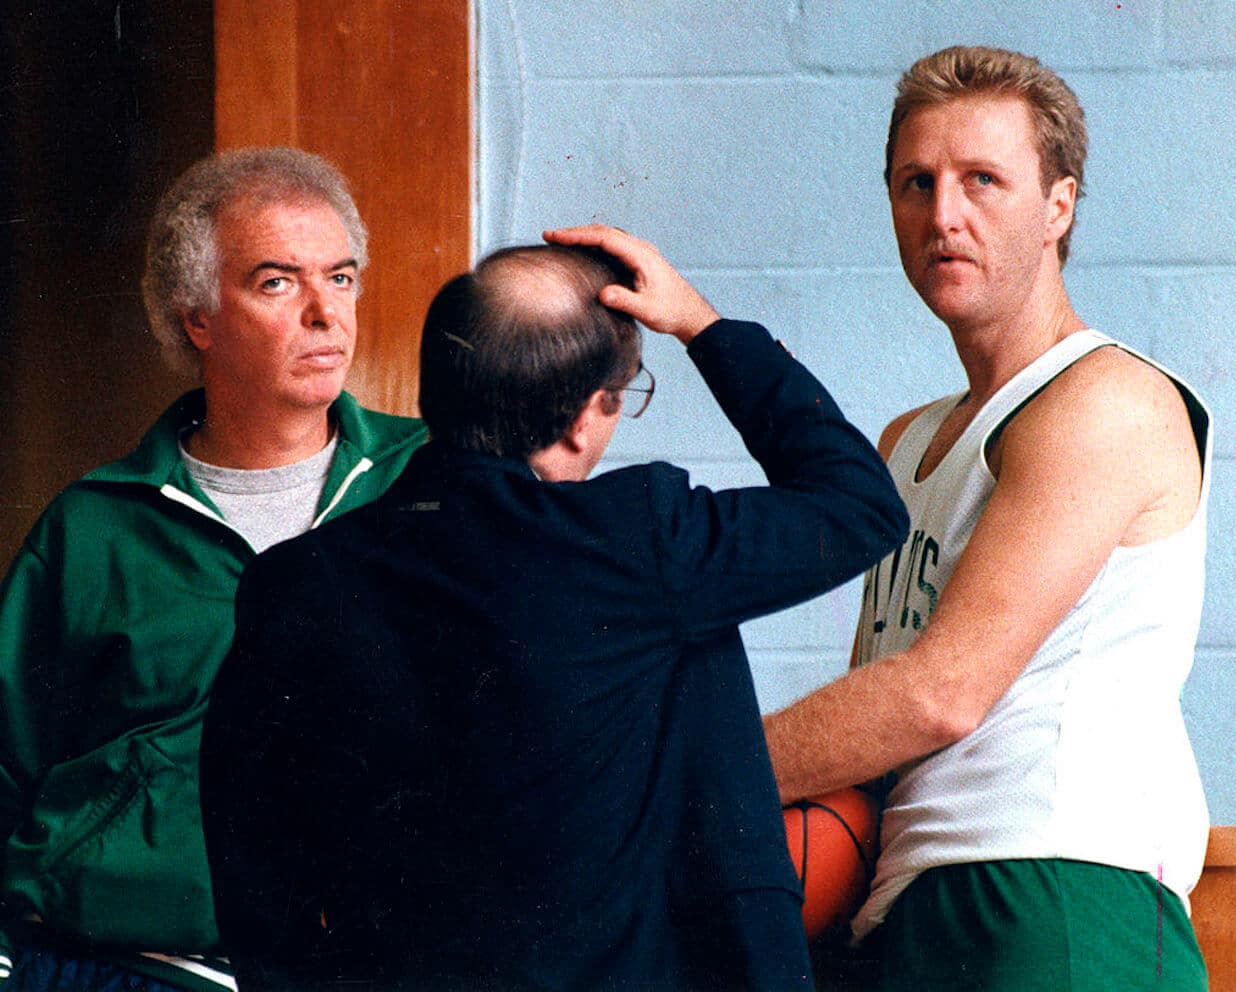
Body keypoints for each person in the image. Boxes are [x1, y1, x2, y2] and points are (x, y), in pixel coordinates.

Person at [198, 230, 909, 991]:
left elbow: (253, 871)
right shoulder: (637, 545)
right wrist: (700, 324)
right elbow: (859, 504)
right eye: (622, 396)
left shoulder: (292, 585)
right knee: (694, 630)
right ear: (580, 419)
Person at [763, 45, 1212, 990]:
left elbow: (940, 693)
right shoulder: (905, 441)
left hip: (1059, 892)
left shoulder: (1105, 398)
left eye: (982, 180)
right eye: (915, 183)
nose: (944, 215)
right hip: (906, 907)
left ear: (1059, 206)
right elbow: (877, 711)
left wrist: (687, 767)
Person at [0, 147, 428, 991]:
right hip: (133, 965)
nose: (325, 315)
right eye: (277, 283)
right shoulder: (96, 526)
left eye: (341, 279)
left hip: (381, 961)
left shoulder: (439, 483)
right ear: (197, 317)